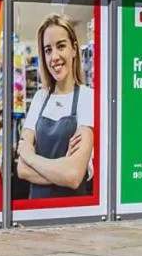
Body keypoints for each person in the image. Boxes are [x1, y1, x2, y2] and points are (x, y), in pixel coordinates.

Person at [16, 13, 93, 198]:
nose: (54, 57)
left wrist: (32, 157)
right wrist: (62, 168)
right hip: (37, 212)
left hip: (71, 215)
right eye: (48, 50)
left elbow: (74, 176)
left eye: (61, 46)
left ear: (74, 49)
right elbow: (22, 169)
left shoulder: (87, 98)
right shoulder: (40, 99)